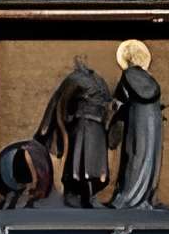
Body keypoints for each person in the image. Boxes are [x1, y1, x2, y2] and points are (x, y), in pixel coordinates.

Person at [39, 60, 118, 208]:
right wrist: (67, 118)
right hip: (83, 125)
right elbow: (62, 101)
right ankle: (77, 192)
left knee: (94, 163)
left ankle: (88, 193)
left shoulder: (98, 81)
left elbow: (107, 104)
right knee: (80, 160)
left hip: (96, 126)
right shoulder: (77, 79)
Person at [109, 39, 165, 209]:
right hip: (153, 118)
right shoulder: (149, 78)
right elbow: (150, 95)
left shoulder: (128, 75)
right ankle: (145, 195)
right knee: (148, 153)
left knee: (136, 153)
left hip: (138, 117)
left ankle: (129, 195)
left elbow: (120, 100)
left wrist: (115, 109)